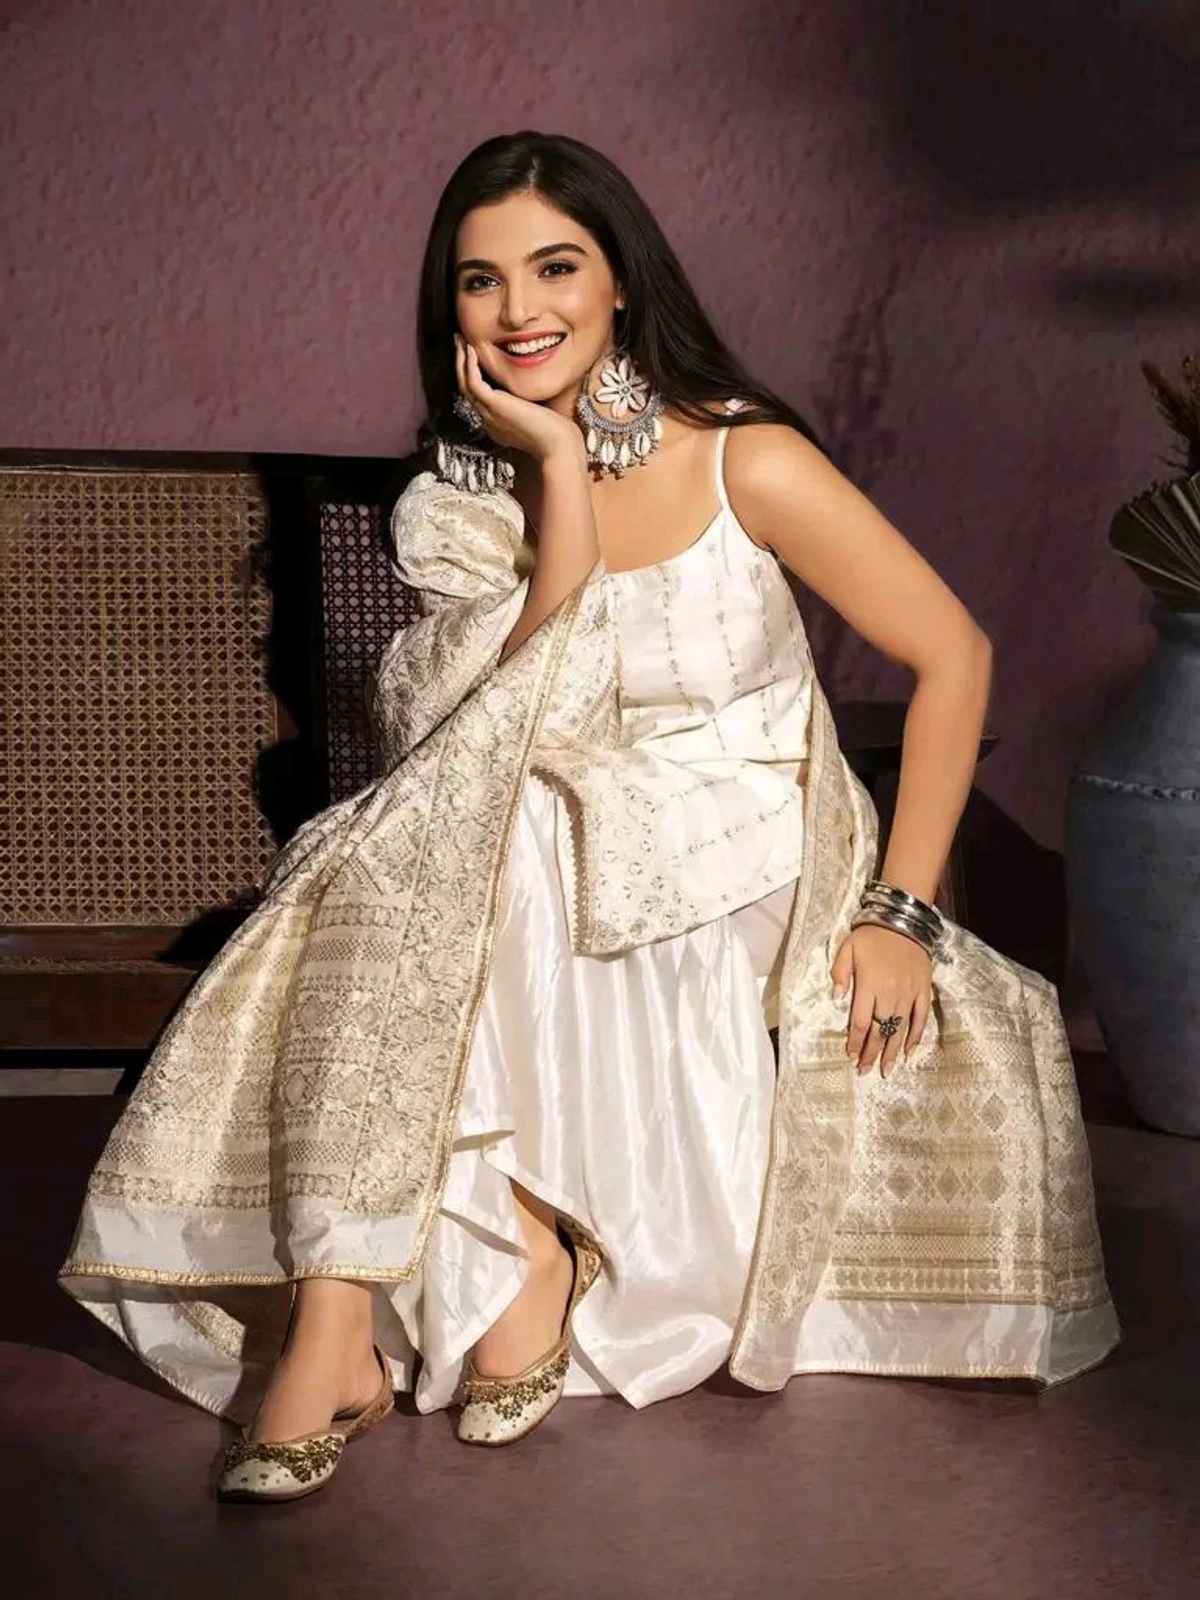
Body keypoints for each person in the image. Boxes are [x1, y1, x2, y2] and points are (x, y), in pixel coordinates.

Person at [59, 130, 1120, 1503]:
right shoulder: (462, 501)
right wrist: (557, 469)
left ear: (621, 281)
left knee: (440, 840)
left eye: (555, 268)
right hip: (536, 826)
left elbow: (954, 655)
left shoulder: (745, 458)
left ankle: (498, 1266)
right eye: (481, 281)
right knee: (437, 834)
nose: (521, 309)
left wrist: (901, 909)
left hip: (742, 837)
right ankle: (354, 1316)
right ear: (450, 310)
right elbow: (502, 720)